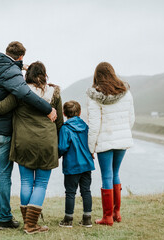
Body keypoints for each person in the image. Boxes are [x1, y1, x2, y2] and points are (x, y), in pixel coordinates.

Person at [0, 41, 57, 229]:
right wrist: (48, 109)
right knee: (3, 174)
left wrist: (20, 67)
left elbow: (7, 72)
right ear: (20, 57)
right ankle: (4, 218)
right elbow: (25, 93)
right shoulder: (12, 73)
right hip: (1, 131)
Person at [86, 62, 135, 226]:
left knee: (106, 175)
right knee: (115, 174)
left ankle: (107, 217)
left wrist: (90, 147)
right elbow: (131, 119)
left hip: (105, 141)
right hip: (122, 140)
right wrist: (123, 133)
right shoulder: (126, 93)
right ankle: (116, 213)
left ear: (97, 76)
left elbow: (94, 125)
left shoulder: (94, 96)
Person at [57, 100, 95, 228]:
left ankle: (68, 219)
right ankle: (87, 219)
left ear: (64, 113)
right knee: (86, 191)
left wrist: (56, 155)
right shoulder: (85, 126)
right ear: (80, 112)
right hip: (86, 164)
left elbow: (62, 146)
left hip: (72, 165)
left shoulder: (65, 128)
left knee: (70, 192)